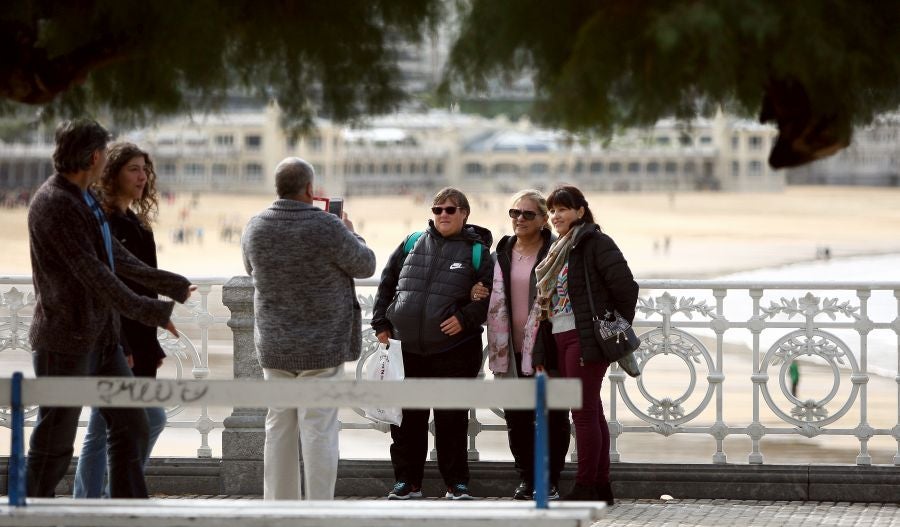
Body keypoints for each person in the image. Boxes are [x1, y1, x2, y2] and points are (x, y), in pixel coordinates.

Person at [26, 118, 193, 498]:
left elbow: (116, 257)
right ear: (96, 156)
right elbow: (95, 273)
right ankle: (28, 514)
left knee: (133, 425)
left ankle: (126, 510)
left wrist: (173, 285)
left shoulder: (83, 198)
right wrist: (153, 311)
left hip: (101, 340)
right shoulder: (56, 203)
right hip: (65, 340)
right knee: (55, 439)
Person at [241, 158, 376, 500]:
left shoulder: (255, 226)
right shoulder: (326, 225)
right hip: (322, 345)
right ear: (310, 190)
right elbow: (365, 264)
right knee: (319, 431)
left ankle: (280, 510)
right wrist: (349, 229)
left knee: (279, 428)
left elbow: (248, 266)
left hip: (274, 344)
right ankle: (318, 511)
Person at [371, 187, 493, 501]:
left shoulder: (477, 252)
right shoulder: (412, 243)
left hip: (454, 350)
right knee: (407, 422)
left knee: (451, 420)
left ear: (464, 214)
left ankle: (456, 485)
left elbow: (491, 296)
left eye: (450, 210)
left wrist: (465, 318)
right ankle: (407, 483)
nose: (443, 215)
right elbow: (387, 283)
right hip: (407, 349)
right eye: (437, 209)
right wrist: (381, 323)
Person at [73, 142, 170, 498]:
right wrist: (122, 344)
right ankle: (94, 502)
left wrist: (151, 342)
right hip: (116, 342)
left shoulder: (135, 224)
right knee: (110, 426)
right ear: (112, 174)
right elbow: (104, 288)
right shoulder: (104, 223)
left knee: (132, 423)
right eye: (133, 168)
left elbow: (147, 286)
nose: (142, 176)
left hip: (137, 341)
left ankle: (108, 497)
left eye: (145, 169)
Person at [536, 185, 639, 504]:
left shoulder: (594, 242)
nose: (555, 216)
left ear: (580, 211)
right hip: (561, 334)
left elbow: (626, 287)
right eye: (552, 210)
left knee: (582, 412)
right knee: (590, 411)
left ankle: (585, 486)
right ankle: (600, 486)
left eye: (563, 209)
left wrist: (611, 324)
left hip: (585, 338)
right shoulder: (560, 247)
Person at [475, 189, 571, 501]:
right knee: (517, 420)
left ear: (544, 220)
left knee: (552, 418)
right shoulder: (499, 254)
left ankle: (550, 480)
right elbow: (486, 292)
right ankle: (527, 479)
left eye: (528, 214)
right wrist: (477, 291)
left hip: (547, 349)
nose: (519, 219)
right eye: (514, 213)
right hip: (509, 352)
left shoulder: (557, 253)